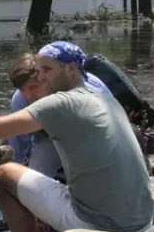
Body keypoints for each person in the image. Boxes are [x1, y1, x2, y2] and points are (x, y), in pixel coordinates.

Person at [0, 41, 154, 232]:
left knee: (5, 174)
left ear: (71, 69)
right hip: (143, 220)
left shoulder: (61, 102)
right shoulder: (101, 95)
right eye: (39, 70)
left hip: (98, 227)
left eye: (47, 70)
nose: (41, 76)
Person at [7, 51, 113, 180]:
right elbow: (18, 146)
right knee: (36, 166)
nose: (28, 95)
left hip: (93, 137)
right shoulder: (20, 100)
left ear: (46, 79)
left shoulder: (81, 94)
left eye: (34, 87)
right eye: (23, 90)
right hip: (52, 138)